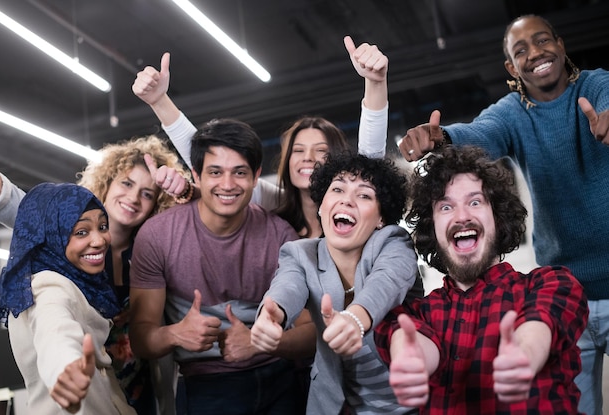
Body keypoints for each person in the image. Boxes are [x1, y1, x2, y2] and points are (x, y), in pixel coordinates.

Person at [396, 14, 609, 414]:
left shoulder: (596, 84)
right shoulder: (513, 113)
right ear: (511, 68)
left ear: (561, 45)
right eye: (521, 51)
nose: (536, 54)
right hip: (570, 288)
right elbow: (484, 133)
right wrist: (443, 137)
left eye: (543, 41)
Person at [374, 145, 588, 413]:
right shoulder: (415, 314)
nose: (462, 216)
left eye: (475, 202)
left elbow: (540, 323)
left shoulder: (551, 284)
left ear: (498, 218)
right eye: (446, 206)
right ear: (432, 228)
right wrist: (410, 360)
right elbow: (411, 342)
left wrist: (524, 354)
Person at [0, 136, 189, 415]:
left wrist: (188, 191)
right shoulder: (57, 239)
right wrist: (65, 368)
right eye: (127, 183)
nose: (133, 198)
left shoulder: (156, 252)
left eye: (147, 193)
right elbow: (55, 330)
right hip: (83, 380)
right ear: (107, 183)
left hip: (137, 384)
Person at [129, 118, 314, 414]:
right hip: (206, 385)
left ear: (255, 177)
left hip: (281, 380)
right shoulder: (157, 236)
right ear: (196, 176)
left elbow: (310, 332)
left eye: (239, 173)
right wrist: (175, 334)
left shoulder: (280, 235)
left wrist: (262, 343)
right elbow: (140, 337)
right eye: (215, 172)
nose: (227, 185)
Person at [132, 35, 390, 237]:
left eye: (321, 151)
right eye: (298, 151)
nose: (308, 158)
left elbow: (371, 161)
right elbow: (211, 157)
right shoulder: (273, 201)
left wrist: (375, 82)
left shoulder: (352, 209)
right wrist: (159, 102)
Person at [250, 152, 421, 414]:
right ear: (321, 205)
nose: (347, 200)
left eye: (364, 195)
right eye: (338, 189)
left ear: (381, 219)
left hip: (417, 402)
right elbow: (287, 286)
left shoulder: (394, 242)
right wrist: (271, 316)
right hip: (342, 406)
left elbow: (387, 281)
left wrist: (355, 318)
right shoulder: (299, 254)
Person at [0, 182, 135, 414]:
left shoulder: (68, 283)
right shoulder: (49, 286)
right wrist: (65, 368)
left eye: (102, 226)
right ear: (51, 235)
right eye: (81, 232)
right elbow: (56, 334)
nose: (99, 240)